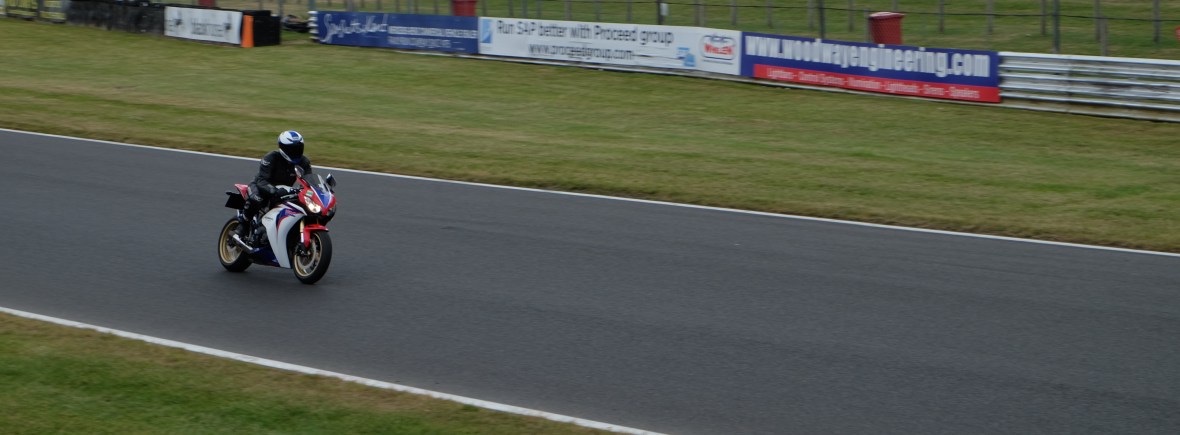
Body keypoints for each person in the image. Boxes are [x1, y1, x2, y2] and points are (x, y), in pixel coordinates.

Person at [241, 130, 313, 245]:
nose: (296, 152)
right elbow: (262, 180)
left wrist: (313, 191)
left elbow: (309, 181)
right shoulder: (271, 158)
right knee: (257, 199)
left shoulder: (304, 162)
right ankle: (243, 225)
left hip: (284, 190)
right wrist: (274, 190)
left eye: (299, 148)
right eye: (292, 149)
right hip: (261, 186)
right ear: (283, 148)